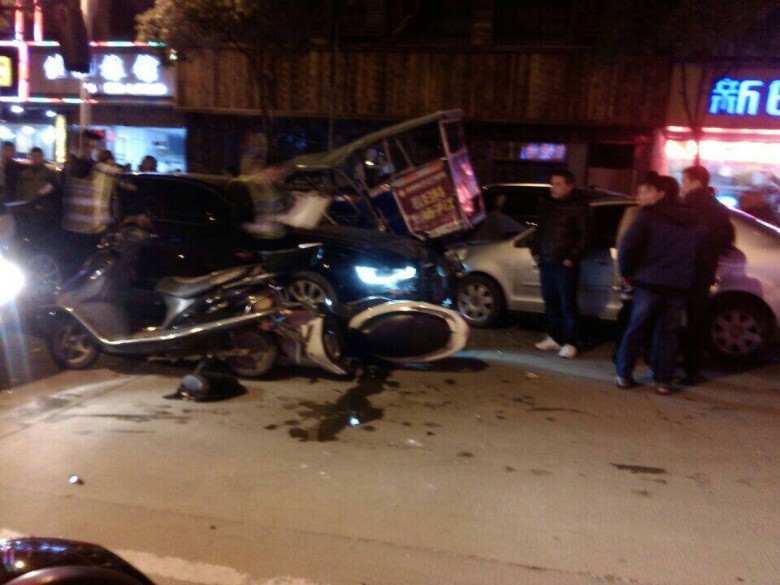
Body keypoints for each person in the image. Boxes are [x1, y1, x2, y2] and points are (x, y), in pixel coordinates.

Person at [614, 175, 706, 395]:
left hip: (649, 282)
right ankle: (664, 380)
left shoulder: (649, 215)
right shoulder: (694, 218)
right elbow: (701, 252)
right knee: (668, 333)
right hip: (678, 284)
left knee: (636, 328)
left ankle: (624, 374)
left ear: (661, 193)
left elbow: (628, 246)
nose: (643, 195)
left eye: (649, 190)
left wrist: (626, 272)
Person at [679, 165, 735, 385]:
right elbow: (727, 241)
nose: (682, 186)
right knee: (696, 320)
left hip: (680, 272)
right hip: (704, 273)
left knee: (671, 318)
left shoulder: (684, 206)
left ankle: (664, 364)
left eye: (684, 181)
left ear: (695, 182)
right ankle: (692, 369)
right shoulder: (718, 209)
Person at [529, 170, 591, 359]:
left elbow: (586, 236)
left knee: (567, 304)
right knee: (550, 302)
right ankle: (554, 337)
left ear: (569, 186)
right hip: (547, 261)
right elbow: (539, 231)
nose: (553, 188)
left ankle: (571, 342)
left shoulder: (578, 207)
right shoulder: (547, 206)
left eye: (558, 184)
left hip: (564, 265)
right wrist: (536, 251)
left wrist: (572, 257)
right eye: (552, 184)